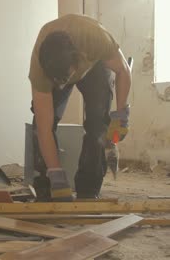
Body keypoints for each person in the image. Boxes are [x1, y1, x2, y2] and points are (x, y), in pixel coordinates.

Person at [29, 14, 131, 201]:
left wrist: (121, 114)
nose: (60, 87)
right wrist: (57, 176)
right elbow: (44, 129)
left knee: (98, 124)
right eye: (56, 81)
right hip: (58, 69)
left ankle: (88, 189)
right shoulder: (39, 70)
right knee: (40, 124)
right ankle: (47, 187)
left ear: (78, 61)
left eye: (64, 80)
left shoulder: (95, 39)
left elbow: (123, 70)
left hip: (96, 66)